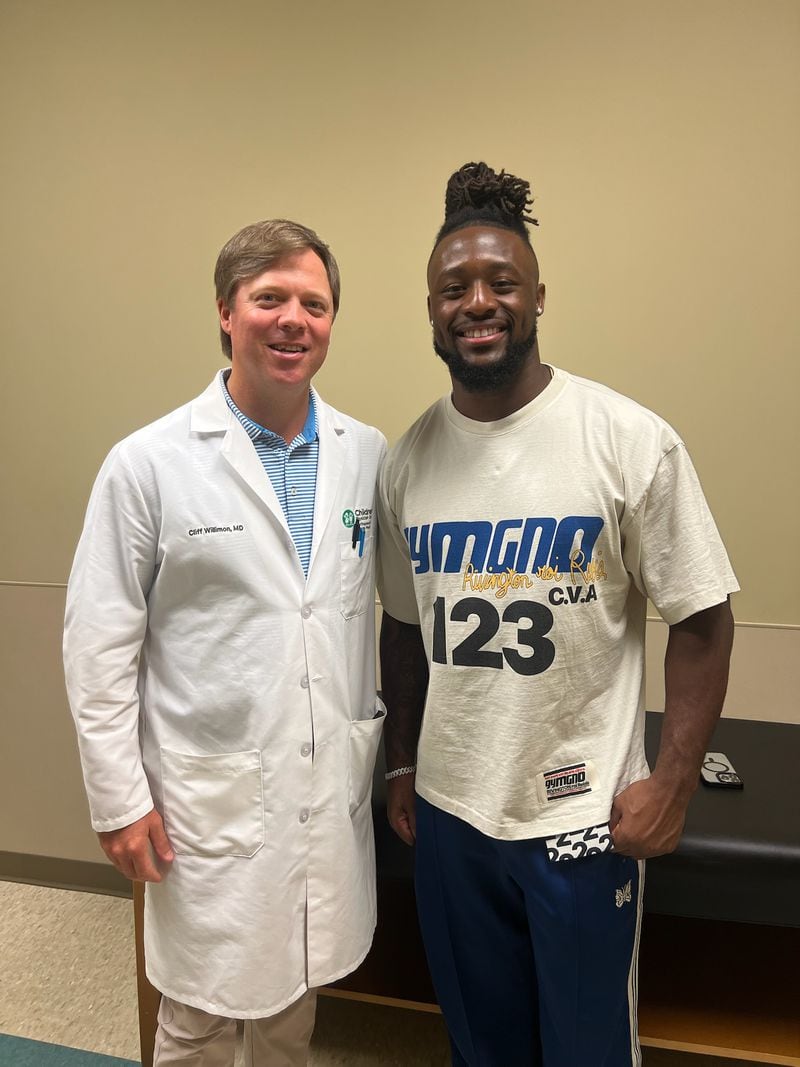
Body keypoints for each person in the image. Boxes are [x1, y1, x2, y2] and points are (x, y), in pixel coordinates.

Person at [376, 162, 737, 1067]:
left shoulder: (624, 437)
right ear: (431, 311)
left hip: (579, 819)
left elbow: (702, 613)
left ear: (539, 297)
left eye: (502, 282)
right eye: (453, 287)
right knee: (481, 1045)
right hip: (454, 811)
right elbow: (402, 628)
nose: (478, 302)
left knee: (583, 1052)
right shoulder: (408, 460)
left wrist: (675, 783)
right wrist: (403, 762)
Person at [64, 219, 387, 1066]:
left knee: (293, 1002)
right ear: (225, 312)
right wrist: (118, 797)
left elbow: (360, 622)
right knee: (202, 1011)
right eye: (269, 298)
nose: (293, 320)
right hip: (205, 794)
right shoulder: (149, 462)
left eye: (313, 304)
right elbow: (97, 641)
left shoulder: (367, 456)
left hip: (323, 782)